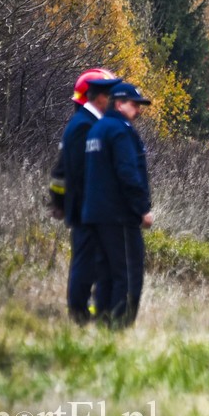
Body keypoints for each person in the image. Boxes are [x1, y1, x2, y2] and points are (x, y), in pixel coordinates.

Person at [50, 68, 122, 324]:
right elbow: (70, 173)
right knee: (85, 264)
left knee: (93, 264)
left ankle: (90, 313)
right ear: (97, 97)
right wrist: (61, 203)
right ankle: (79, 316)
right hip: (86, 209)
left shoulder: (86, 124)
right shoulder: (83, 127)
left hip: (91, 209)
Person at [82, 82, 153, 328]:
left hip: (96, 214)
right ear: (119, 103)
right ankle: (120, 327)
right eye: (134, 104)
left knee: (105, 274)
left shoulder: (97, 130)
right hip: (119, 215)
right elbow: (127, 173)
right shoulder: (121, 131)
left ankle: (102, 323)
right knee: (128, 274)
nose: (138, 110)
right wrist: (142, 208)